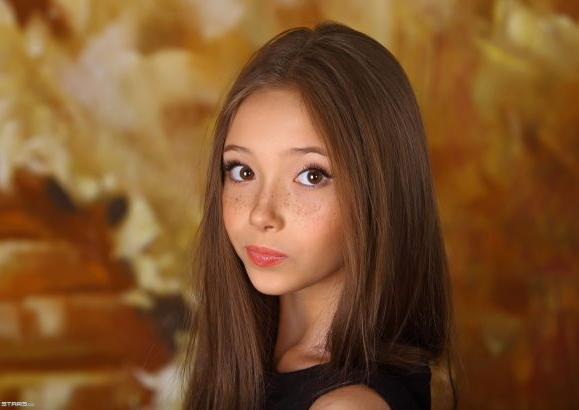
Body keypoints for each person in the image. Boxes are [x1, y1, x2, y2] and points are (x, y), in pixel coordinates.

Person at [180, 21, 457, 410]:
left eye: (311, 175)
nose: (261, 214)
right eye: (242, 171)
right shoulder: (248, 357)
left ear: (380, 192)